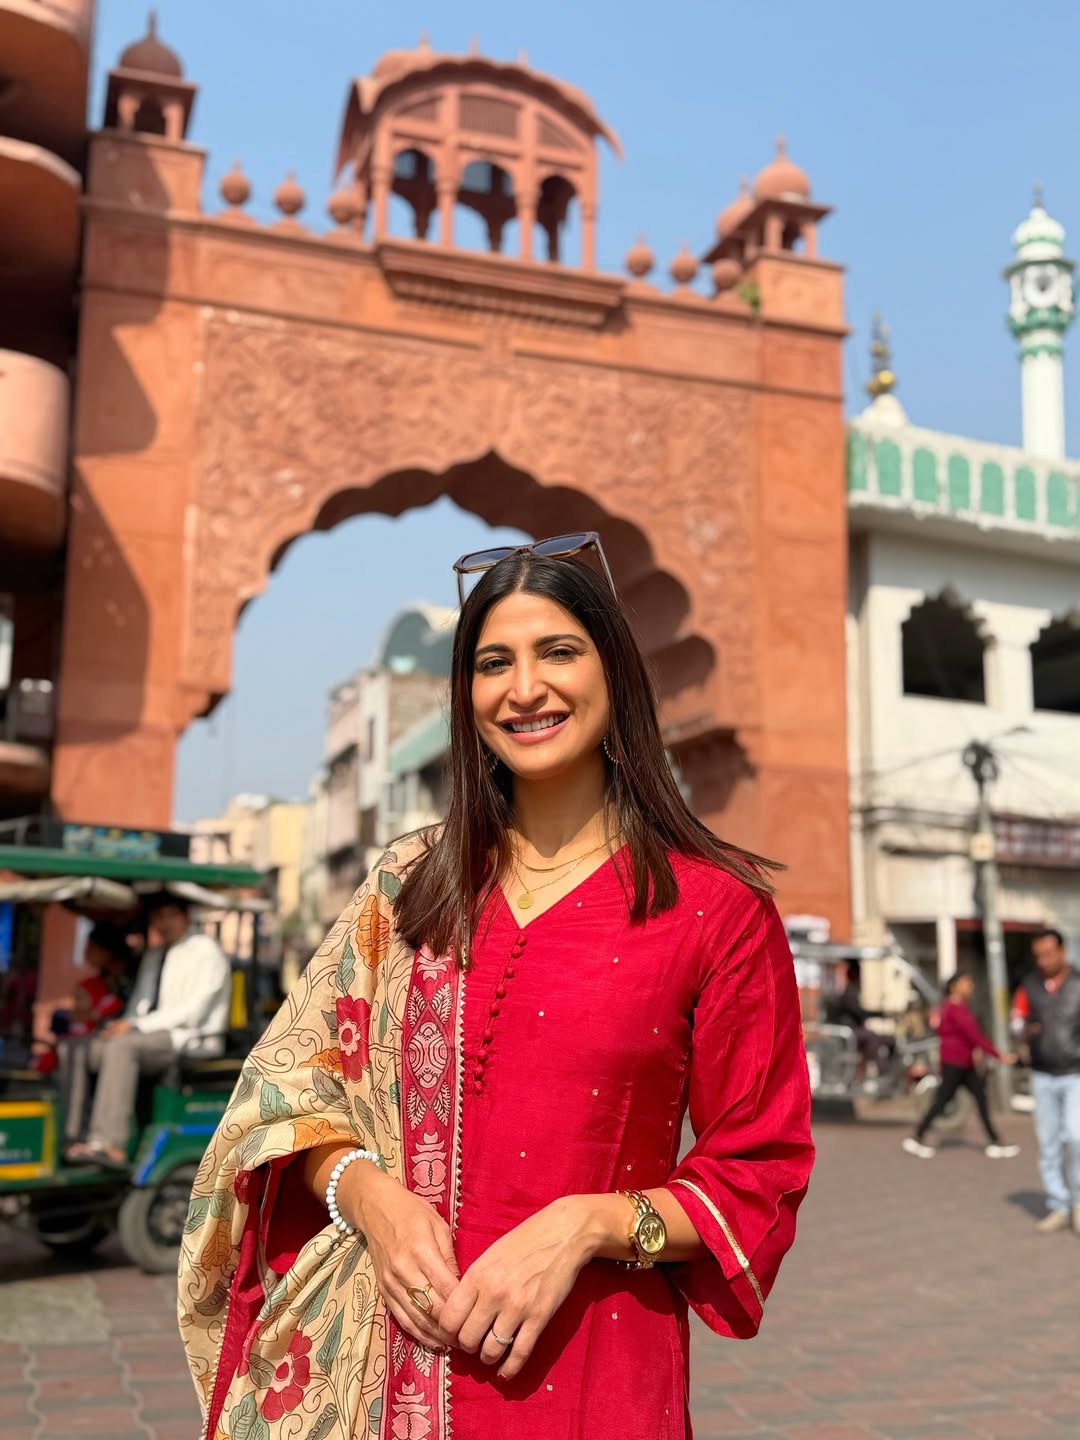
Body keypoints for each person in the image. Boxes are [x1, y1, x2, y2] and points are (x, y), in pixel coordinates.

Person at [179, 533, 815, 1440]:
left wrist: (588, 1225)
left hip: (594, 1378)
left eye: (558, 652)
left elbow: (758, 1174)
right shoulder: (408, 889)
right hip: (380, 1374)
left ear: (616, 671)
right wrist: (371, 1199)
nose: (524, 689)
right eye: (493, 664)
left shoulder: (715, 909)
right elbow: (288, 1109)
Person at [68, 894, 231, 1167]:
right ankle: (72, 1132)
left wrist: (134, 1026)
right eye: (158, 917)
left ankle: (109, 1143)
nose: (164, 924)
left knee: (122, 1047)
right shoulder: (155, 955)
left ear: (185, 917)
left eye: (170, 916)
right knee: (82, 1046)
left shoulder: (206, 952)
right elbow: (140, 1004)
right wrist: (122, 1025)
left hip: (189, 1038)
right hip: (150, 1034)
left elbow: (192, 1013)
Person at [902, 972, 1018, 1160]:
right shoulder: (953, 1008)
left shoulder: (953, 1007)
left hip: (964, 1063)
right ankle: (917, 1136)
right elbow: (973, 1035)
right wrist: (997, 1055)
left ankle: (994, 1141)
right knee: (942, 1100)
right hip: (954, 1062)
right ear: (954, 986)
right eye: (966, 983)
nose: (970, 987)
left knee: (980, 1098)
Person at [1010, 928, 1080, 1234]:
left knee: (1076, 1137)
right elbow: (1015, 1021)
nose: (1044, 961)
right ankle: (1058, 1204)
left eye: (1049, 954)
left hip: (1075, 1073)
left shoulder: (1078, 984)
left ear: (1063, 952)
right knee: (1048, 1143)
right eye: (1038, 955)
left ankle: (1078, 1203)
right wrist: (1022, 1029)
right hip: (1042, 1074)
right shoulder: (1029, 986)